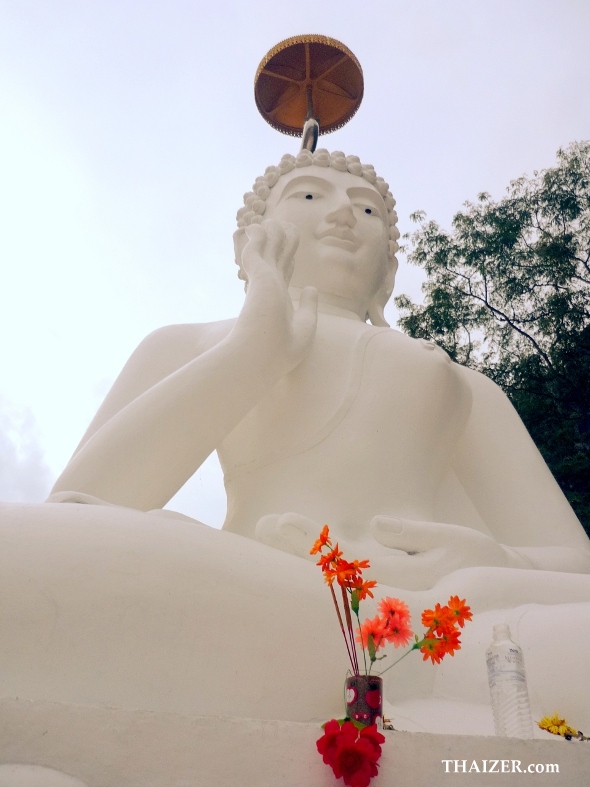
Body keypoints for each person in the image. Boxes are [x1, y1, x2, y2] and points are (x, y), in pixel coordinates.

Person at [2, 149, 589, 735]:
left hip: (449, 620)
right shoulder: (194, 343)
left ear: (388, 270)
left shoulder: (458, 382)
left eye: (365, 210)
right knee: (18, 554)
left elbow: (575, 566)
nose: (342, 215)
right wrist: (253, 352)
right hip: (260, 597)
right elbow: (81, 506)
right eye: (309, 196)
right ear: (250, 244)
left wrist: (497, 563)